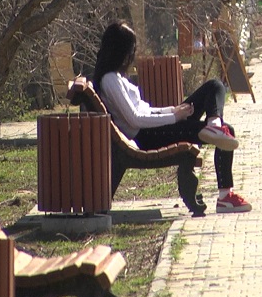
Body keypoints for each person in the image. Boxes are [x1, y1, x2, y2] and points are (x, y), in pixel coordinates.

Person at [92, 22, 251, 216]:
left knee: (214, 86)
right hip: (147, 136)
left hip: (154, 129)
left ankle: (214, 124)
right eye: (132, 48)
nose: (133, 54)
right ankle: (225, 196)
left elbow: (145, 109)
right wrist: (174, 117)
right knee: (229, 131)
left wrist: (173, 110)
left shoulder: (117, 77)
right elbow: (135, 120)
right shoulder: (110, 80)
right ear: (121, 50)